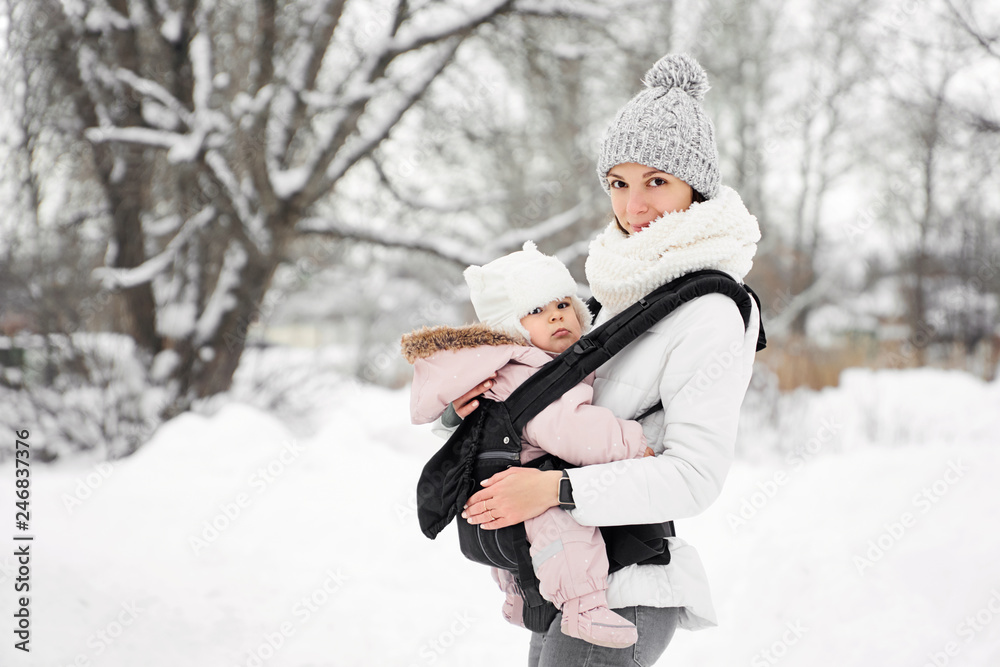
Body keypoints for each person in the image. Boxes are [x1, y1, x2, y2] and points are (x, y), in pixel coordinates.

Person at [457, 53, 763, 666]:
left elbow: (694, 476)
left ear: (695, 188)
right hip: (572, 582)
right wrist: (486, 408)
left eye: (656, 182)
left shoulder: (708, 311)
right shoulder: (618, 300)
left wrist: (555, 490)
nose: (634, 206)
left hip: (630, 586)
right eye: (619, 184)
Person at [401, 241, 658, 649]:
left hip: (490, 495)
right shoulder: (533, 371)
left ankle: (519, 597)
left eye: (562, 303)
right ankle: (584, 608)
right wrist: (632, 442)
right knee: (568, 530)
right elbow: (569, 428)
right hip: (521, 487)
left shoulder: (509, 366)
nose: (555, 314)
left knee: (540, 545)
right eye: (536, 310)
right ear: (511, 327)